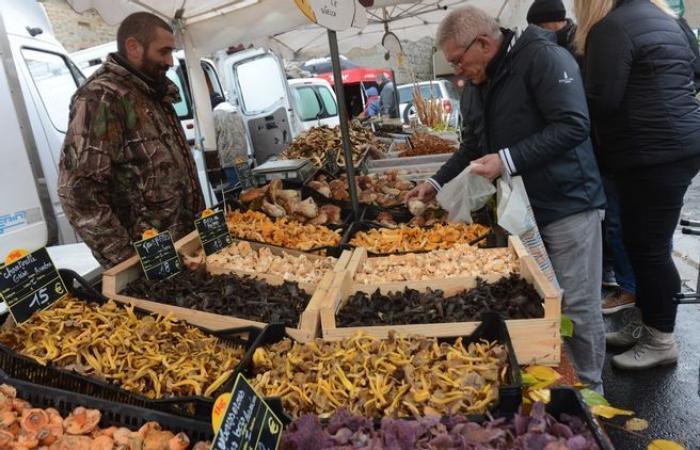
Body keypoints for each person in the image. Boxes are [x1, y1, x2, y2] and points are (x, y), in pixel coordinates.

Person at [405, 5, 607, 391]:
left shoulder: (543, 58)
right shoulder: (479, 85)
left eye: (458, 61)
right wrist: (435, 182)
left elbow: (573, 124)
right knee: (535, 300)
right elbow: (471, 146)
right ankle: (548, 384)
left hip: (568, 203)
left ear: (482, 43)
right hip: (521, 213)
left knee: (576, 305)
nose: (457, 70)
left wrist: (507, 159)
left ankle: (588, 394)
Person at [576, 0, 700, 370]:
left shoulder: (610, 28)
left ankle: (661, 339)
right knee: (639, 242)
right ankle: (647, 325)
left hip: (651, 151)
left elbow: (604, 100)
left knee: (651, 249)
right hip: (675, 144)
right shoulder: (669, 19)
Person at [58, 12, 204, 268]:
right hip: (149, 260)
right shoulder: (101, 98)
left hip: (183, 250)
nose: (170, 61)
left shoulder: (152, 91)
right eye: (164, 51)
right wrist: (127, 261)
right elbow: (79, 193)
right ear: (133, 47)